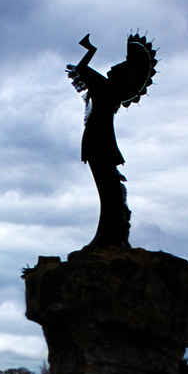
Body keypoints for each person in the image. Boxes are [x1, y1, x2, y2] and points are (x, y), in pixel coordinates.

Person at [67, 33, 157, 249]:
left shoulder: (105, 88)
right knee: (109, 190)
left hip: (98, 141)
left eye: (120, 66)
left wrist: (91, 51)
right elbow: (83, 71)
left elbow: (82, 69)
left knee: (108, 191)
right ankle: (111, 234)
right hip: (101, 141)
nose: (112, 67)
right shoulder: (110, 90)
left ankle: (109, 236)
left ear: (123, 75)